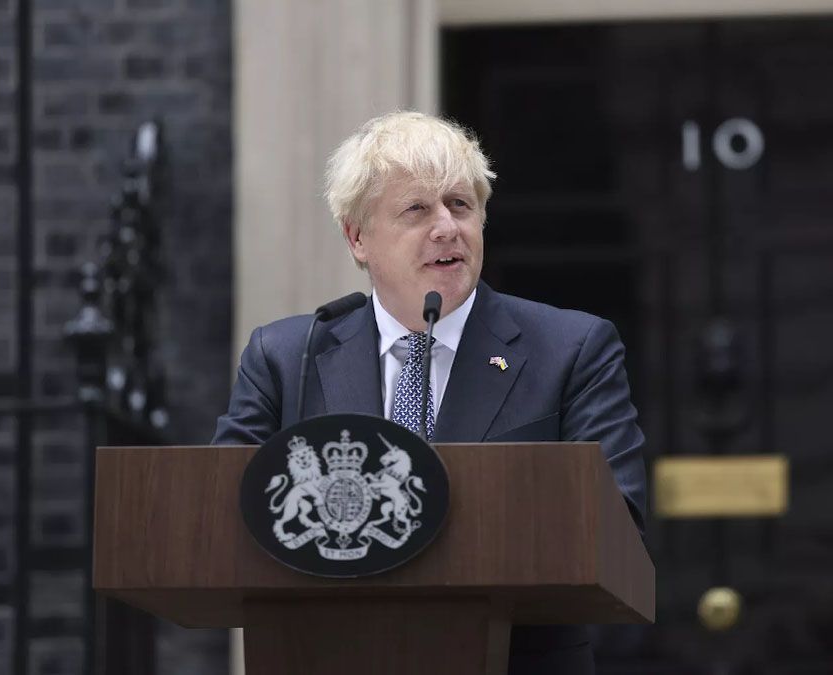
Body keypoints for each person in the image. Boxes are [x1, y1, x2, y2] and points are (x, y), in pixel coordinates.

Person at [213, 111, 646, 674]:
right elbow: (218, 521)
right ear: (357, 236)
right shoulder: (285, 356)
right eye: (417, 209)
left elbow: (618, 525)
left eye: (461, 205)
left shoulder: (572, 349)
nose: (447, 227)